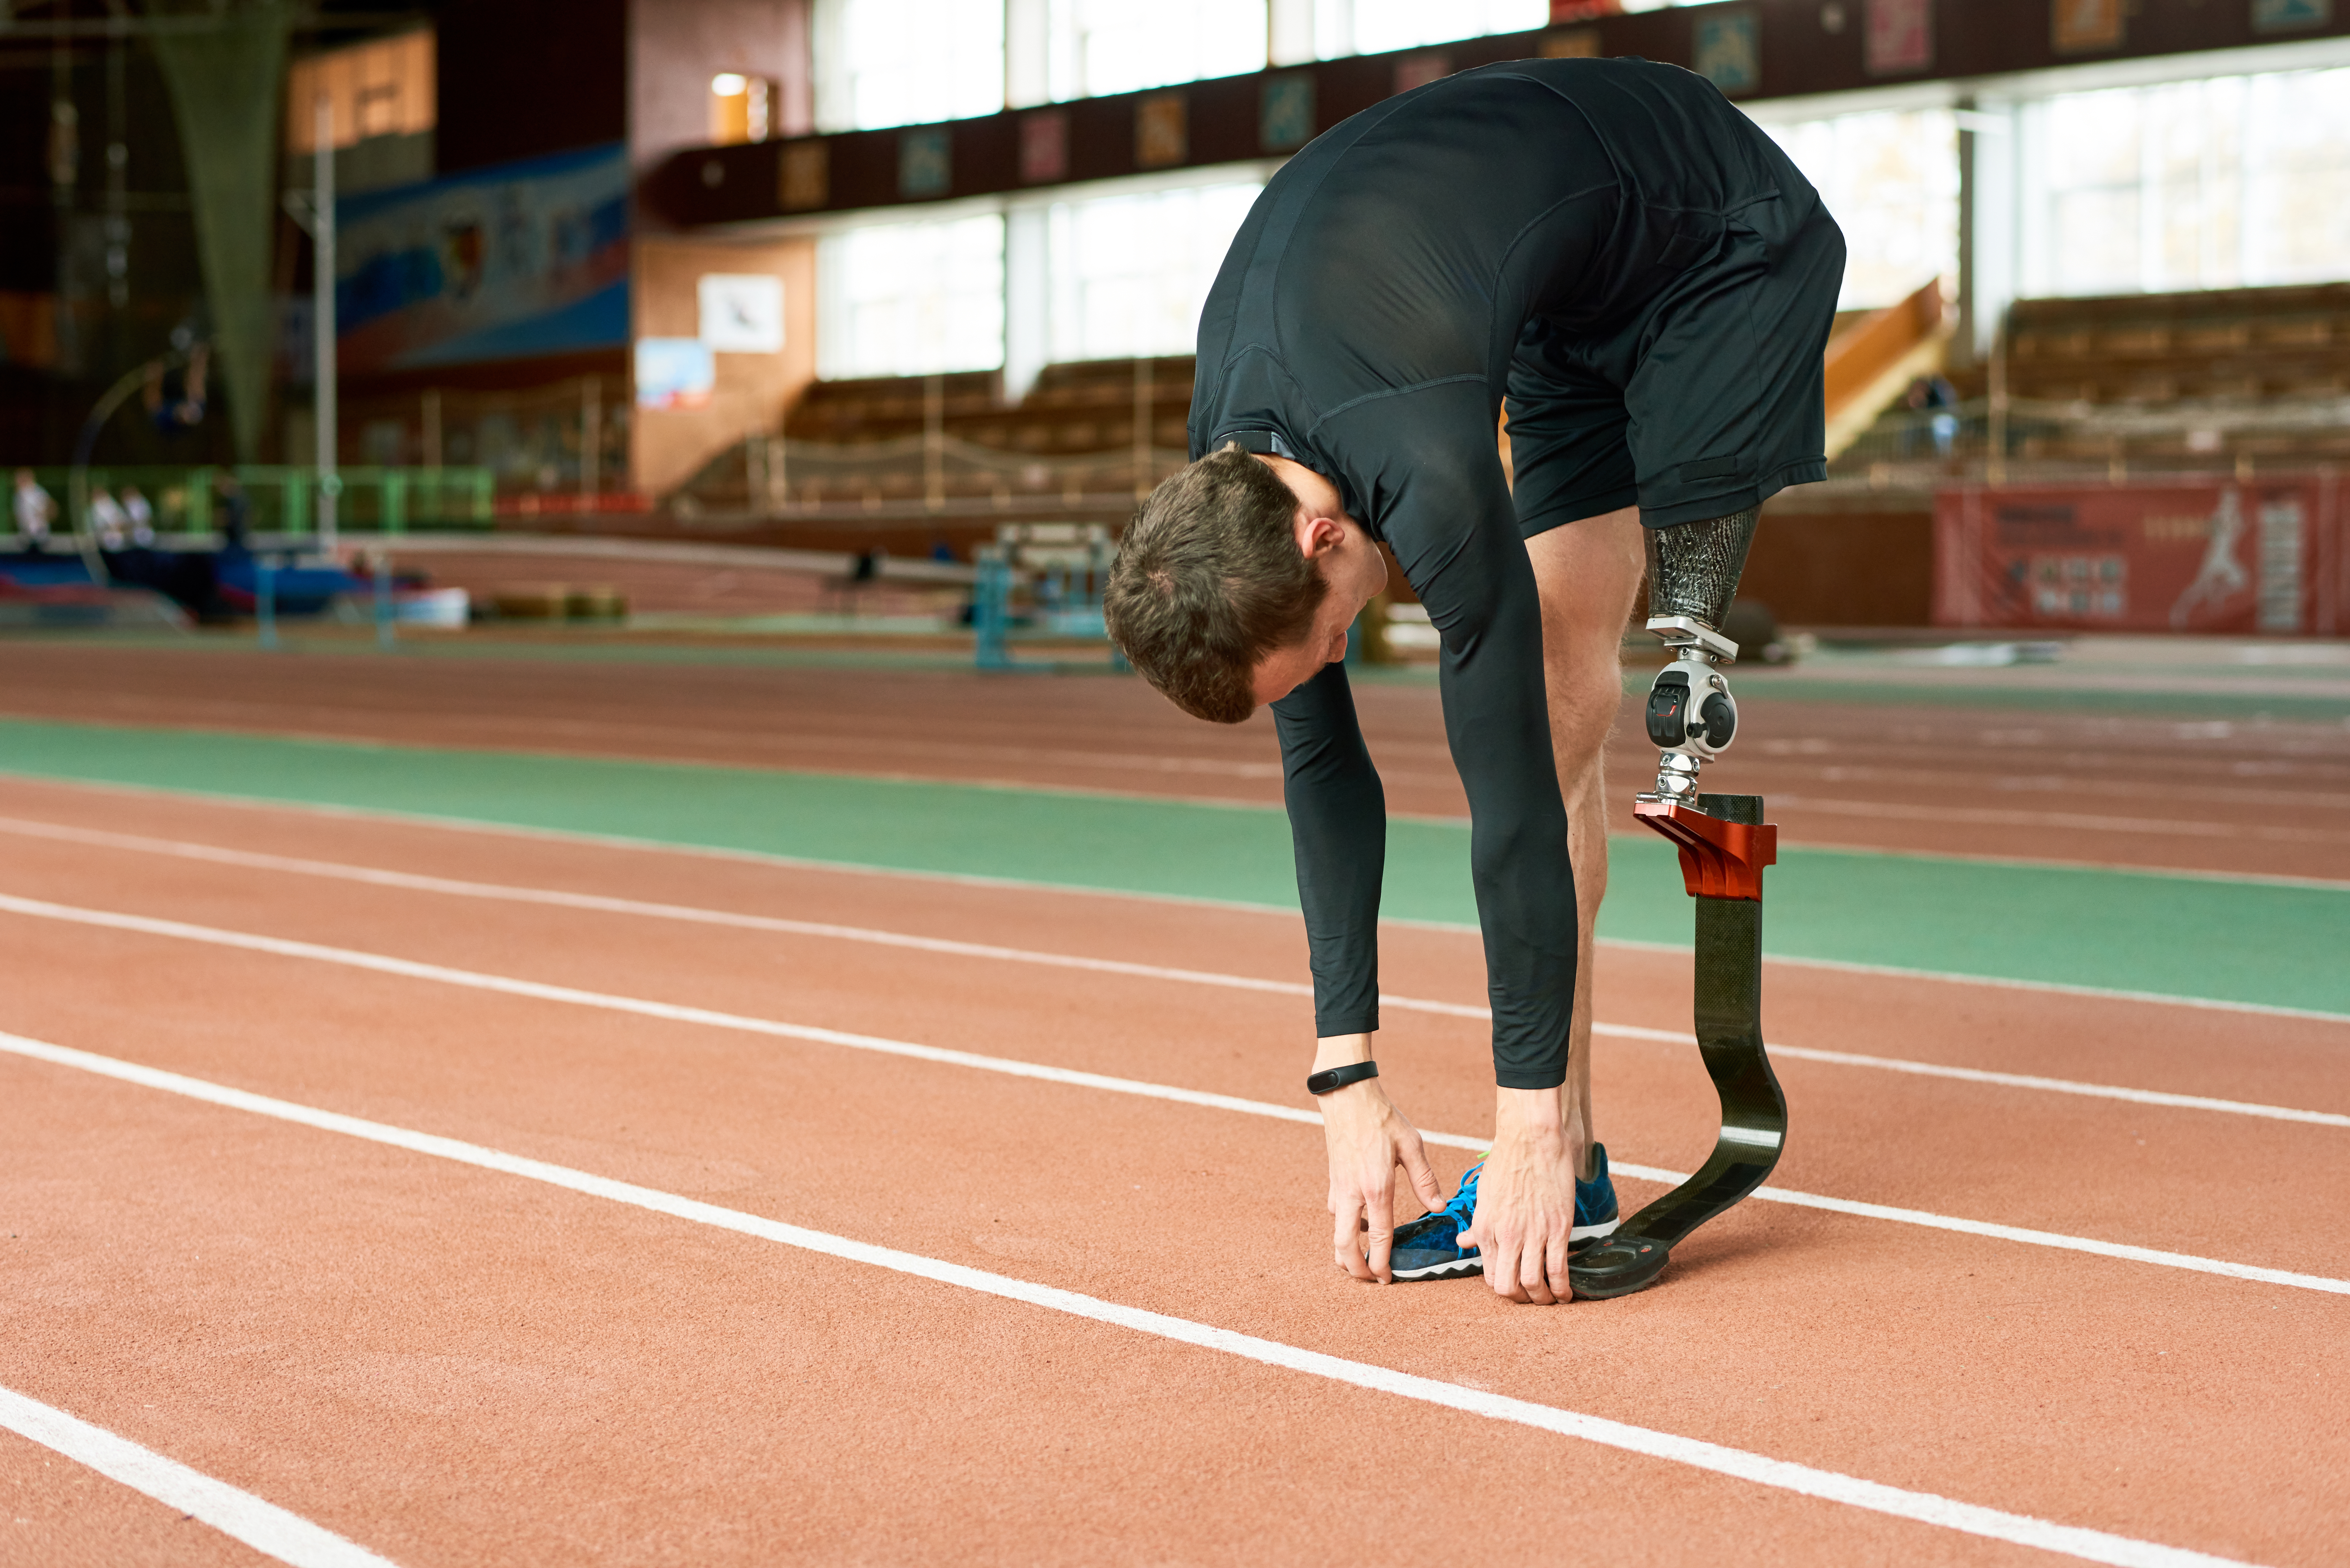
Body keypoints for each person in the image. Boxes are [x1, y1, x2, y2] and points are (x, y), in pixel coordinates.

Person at [1104, 57, 1842, 1304]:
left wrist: (1520, 1117)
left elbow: (1505, 798)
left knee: (1546, 713)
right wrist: (1345, 1074)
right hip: (1550, 281)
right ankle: (1583, 1165)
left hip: (1716, 242)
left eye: (1328, 642)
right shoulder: (1229, 494)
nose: (1334, 663)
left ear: (1319, 538)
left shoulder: (1423, 467)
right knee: (1550, 704)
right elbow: (1321, 766)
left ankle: (1555, 1140)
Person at [12, 468, 55, 551]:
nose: (17, 481)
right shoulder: (20, 494)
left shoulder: (36, 493)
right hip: (27, 535)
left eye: (19, 478)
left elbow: (51, 510)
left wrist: (39, 524)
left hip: (38, 535)